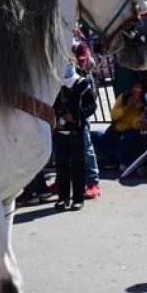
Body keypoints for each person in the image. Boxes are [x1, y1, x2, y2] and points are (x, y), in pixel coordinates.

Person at [52, 61, 96, 211]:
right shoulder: (56, 83)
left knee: (78, 165)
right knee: (61, 166)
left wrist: (76, 116)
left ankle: (78, 198)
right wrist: (55, 120)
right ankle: (63, 198)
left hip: (76, 131)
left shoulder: (82, 84)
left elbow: (92, 106)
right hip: (59, 131)